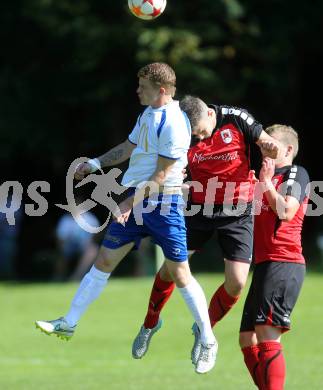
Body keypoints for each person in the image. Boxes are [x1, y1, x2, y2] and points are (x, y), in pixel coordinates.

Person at [35, 63, 217, 374]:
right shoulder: (148, 114)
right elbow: (128, 147)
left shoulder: (173, 122)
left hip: (163, 203)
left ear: (161, 90)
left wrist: (128, 204)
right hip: (137, 199)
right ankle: (69, 323)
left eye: (142, 86)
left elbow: (160, 176)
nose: (137, 90)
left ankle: (208, 339)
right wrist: (94, 164)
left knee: (180, 272)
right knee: (104, 260)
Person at [131, 95, 280, 367]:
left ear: (210, 115)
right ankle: (150, 324)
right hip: (198, 208)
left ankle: (204, 331)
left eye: (200, 131)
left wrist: (270, 145)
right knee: (170, 270)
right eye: (193, 134)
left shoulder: (236, 119)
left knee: (236, 282)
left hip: (238, 210)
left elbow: (273, 146)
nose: (198, 138)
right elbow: (167, 173)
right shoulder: (179, 132)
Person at [239, 124, 309, 390]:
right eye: (263, 145)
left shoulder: (296, 173)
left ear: (288, 149)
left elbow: (286, 211)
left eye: (272, 145)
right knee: (248, 338)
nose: (265, 150)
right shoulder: (263, 178)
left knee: (268, 336)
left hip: (284, 261)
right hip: (264, 264)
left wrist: (266, 182)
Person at [53, 207, 100, 281]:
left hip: (84, 246)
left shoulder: (90, 218)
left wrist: (88, 243)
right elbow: (61, 239)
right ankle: (58, 277)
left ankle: (76, 277)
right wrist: (62, 249)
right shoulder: (65, 220)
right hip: (69, 245)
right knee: (61, 251)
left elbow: (95, 236)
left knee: (92, 250)